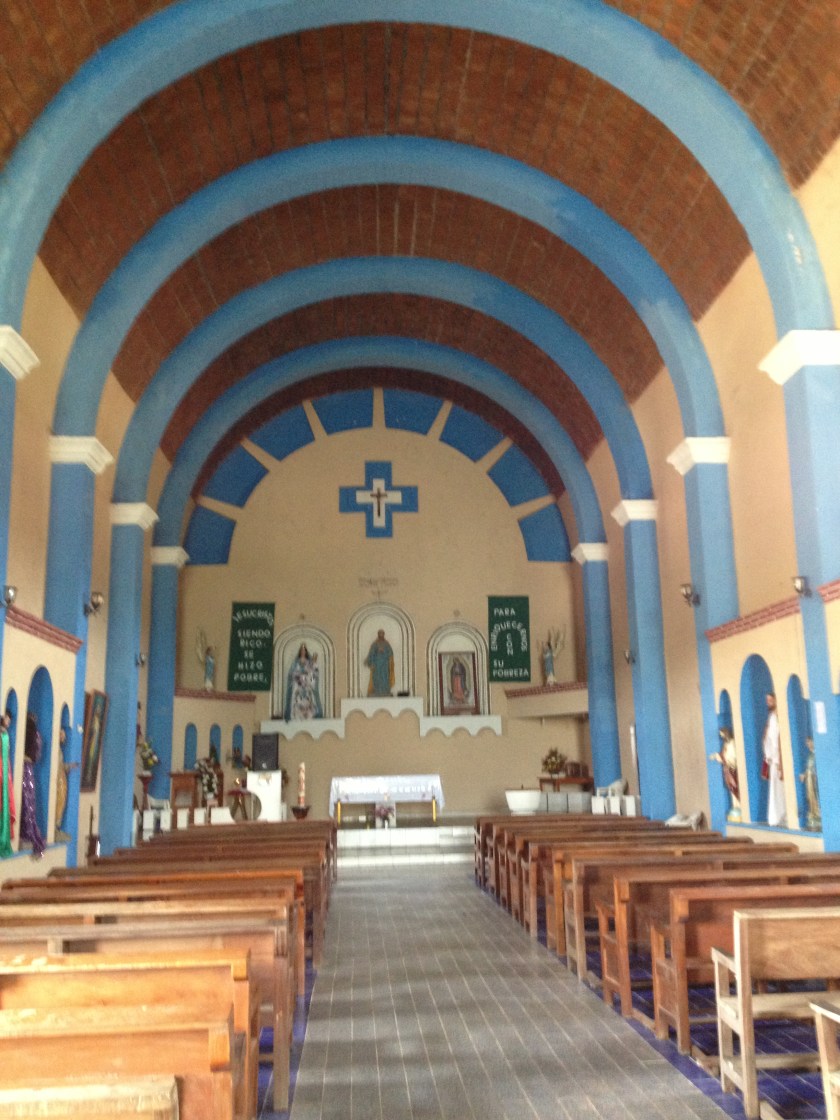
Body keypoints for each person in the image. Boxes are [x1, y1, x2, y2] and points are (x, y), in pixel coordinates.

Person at [20, 711, 45, 858]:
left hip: (20, 768)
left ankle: (24, 831)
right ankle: (28, 831)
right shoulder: (36, 735)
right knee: (28, 802)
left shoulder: (25, 733)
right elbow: (36, 754)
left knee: (24, 802)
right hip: (28, 768)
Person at [761, 692, 786, 827]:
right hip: (773, 758)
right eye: (767, 700)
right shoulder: (771, 716)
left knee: (782, 789)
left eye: (770, 700)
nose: (768, 703)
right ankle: (777, 816)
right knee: (775, 790)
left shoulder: (778, 716)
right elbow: (769, 738)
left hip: (779, 758)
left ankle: (783, 815)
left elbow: (777, 738)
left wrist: (776, 756)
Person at [284, 643, 323, 720]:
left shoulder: (309, 662)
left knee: (309, 699)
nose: (303, 652)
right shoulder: (296, 662)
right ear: (300, 652)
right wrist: (300, 676)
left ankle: (309, 715)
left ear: (306, 652)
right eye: (301, 650)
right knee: (297, 699)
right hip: (298, 684)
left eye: (304, 650)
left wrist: (313, 668)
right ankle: (296, 715)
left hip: (307, 684)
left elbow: (313, 674)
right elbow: (292, 673)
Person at [709, 727, 741, 821]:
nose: (721, 736)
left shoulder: (732, 743)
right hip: (728, 769)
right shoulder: (726, 744)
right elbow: (723, 755)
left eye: (722, 734)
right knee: (731, 788)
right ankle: (735, 806)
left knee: (735, 787)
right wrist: (716, 756)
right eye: (721, 735)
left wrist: (726, 759)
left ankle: (739, 806)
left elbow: (732, 755)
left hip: (733, 768)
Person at [0, 711, 16, 858]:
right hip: (2, 772)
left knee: (4, 804)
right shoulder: (3, 736)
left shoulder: (5, 735)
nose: (9, 721)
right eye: (8, 719)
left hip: (3, 771)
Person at [799, 737, 821, 831]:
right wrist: (804, 775)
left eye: (809, 742)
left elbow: (815, 768)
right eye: (807, 742)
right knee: (811, 798)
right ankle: (813, 816)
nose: (808, 744)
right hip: (809, 780)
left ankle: (818, 816)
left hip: (814, 780)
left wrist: (813, 774)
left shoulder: (816, 754)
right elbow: (808, 768)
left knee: (816, 797)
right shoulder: (810, 755)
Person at [365, 629, 395, 697]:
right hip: (377, 664)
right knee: (376, 677)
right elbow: (371, 654)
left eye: (382, 634)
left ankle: (385, 690)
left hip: (384, 664)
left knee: (385, 677)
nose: (381, 635)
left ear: (383, 635)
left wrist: (383, 652)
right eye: (380, 634)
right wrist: (371, 662)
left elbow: (390, 653)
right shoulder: (375, 644)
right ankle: (376, 691)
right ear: (378, 635)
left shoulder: (387, 644)